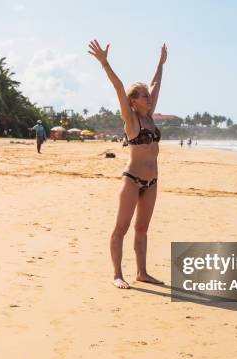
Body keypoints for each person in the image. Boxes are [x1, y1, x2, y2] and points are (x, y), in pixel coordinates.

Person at [88, 39, 167, 289]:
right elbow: (119, 87)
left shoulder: (150, 117)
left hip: (152, 182)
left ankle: (142, 273)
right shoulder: (131, 120)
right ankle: (117, 275)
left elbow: (155, 83)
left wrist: (160, 63)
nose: (149, 98)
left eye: (148, 95)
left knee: (142, 229)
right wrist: (104, 63)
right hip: (132, 180)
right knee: (120, 229)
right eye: (143, 96)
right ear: (133, 102)